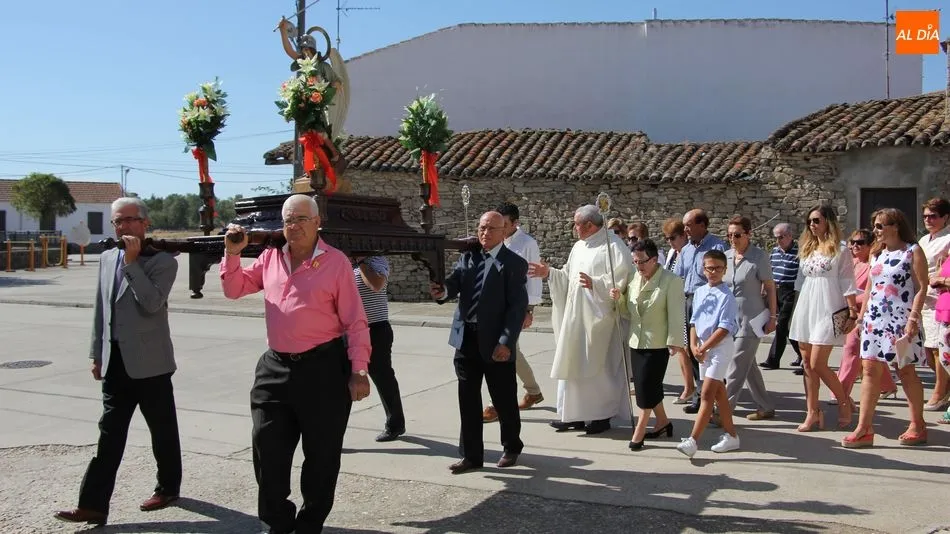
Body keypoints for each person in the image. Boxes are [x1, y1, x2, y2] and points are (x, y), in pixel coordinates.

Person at [221, 194, 372, 534]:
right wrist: (232, 254)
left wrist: (359, 370)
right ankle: (277, 521)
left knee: (321, 456)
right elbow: (234, 289)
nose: (295, 226)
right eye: (289, 219)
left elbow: (355, 321)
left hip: (323, 369)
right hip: (275, 368)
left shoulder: (335, 263)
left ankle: (309, 524)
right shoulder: (270, 257)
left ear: (318, 222)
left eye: (302, 219)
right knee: (267, 450)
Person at [55, 198, 181, 526]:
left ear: (145, 223)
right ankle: (93, 505)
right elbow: (102, 307)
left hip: (151, 364)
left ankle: (168, 487)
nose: (122, 226)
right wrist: (96, 352)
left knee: (162, 430)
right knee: (109, 433)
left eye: (129, 220)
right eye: (117, 221)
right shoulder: (107, 257)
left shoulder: (164, 261)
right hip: (115, 362)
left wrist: (132, 263)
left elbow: (151, 303)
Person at [429, 211, 528, 474]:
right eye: (482, 227)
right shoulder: (468, 257)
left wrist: (506, 342)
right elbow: (454, 283)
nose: (485, 233)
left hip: (496, 342)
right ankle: (471, 455)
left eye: (491, 228)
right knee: (468, 400)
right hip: (466, 340)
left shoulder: (514, 263)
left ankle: (511, 446)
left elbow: (516, 308)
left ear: (504, 232)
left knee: (504, 398)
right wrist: (443, 291)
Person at [529, 204, 633, 435]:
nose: (574, 228)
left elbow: (622, 279)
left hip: (600, 320)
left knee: (598, 370)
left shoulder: (613, 246)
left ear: (589, 225)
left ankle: (600, 416)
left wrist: (596, 284)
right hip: (575, 318)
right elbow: (568, 276)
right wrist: (550, 273)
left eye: (576, 224)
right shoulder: (579, 247)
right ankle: (573, 415)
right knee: (572, 365)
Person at [843, 209, 929, 448]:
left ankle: (918, 424)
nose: (876, 230)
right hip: (875, 320)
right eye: (875, 226)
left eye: (880, 226)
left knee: (906, 371)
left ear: (896, 226)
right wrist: (861, 319)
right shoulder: (877, 253)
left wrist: (913, 318)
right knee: (870, 370)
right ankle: (864, 428)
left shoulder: (912, 251)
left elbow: (922, 286)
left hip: (901, 321)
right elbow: (870, 288)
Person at [609, 239, 685, 450]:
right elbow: (627, 312)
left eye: (642, 261)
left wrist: (675, 342)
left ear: (654, 259)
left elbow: (677, 314)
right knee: (649, 387)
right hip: (636, 341)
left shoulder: (671, 280)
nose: (638, 266)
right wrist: (618, 299)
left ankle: (639, 431)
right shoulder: (634, 279)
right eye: (635, 262)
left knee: (645, 388)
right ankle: (663, 422)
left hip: (658, 343)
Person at [788, 205, 858, 432]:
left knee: (818, 363)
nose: (812, 225)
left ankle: (844, 401)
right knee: (807, 364)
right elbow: (800, 282)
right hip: (807, 305)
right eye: (809, 221)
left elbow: (847, 281)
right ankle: (812, 412)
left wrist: (852, 311)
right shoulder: (807, 248)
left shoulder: (841, 249)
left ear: (829, 221)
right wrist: (794, 310)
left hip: (829, 306)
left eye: (816, 220)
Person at [483, 202, 545, 423]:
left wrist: (529, 310)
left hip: (515, 308)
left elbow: (533, 278)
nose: (500, 227)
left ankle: (497, 404)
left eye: (505, 224)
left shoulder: (527, 243)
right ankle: (533, 391)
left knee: (502, 353)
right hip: (494, 308)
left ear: (515, 223)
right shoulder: (494, 241)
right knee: (511, 352)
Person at [676, 250, 741, 457]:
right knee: (719, 393)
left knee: (706, 394)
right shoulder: (700, 292)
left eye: (718, 268)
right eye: (709, 268)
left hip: (719, 348)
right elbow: (694, 321)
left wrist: (704, 348)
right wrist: (693, 345)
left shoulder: (727, 296)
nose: (713, 272)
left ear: (724, 270)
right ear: (703, 270)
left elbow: (724, 328)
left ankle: (693, 440)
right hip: (702, 348)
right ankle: (732, 436)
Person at [723, 216, 778, 421]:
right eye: (729, 235)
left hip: (751, 320)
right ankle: (765, 406)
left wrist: (773, 316)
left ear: (748, 234)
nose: (733, 239)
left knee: (736, 364)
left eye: (737, 235)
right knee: (748, 365)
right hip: (730, 319)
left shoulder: (758, 257)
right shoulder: (726, 256)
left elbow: (770, 287)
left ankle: (723, 410)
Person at [674, 209, 727, 415]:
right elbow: (677, 276)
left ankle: (714, 396)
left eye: (689, 225)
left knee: (710, 349)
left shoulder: (716, 247)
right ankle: (700, 395)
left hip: (708, 302)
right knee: (692, 349)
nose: (685, 229)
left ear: (702, 225)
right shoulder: (686, 250)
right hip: (689, 301)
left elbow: (722, 277)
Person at [836, 230, 898, 403]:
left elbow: (875, 291)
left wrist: (853, 299)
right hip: (849, 311)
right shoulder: (852, 262)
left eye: (860, 242)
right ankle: (887, 385)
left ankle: (840, 392)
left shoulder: (874, 264)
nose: (855, 245)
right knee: (870, 353)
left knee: (851, 348)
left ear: (870, 245)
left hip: (867, 313)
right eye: (853, 242)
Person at [352, 255, 406, 442]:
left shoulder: (376, 261)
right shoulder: (341, 262)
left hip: (376, 329)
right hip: (349, 331)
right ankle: (333, 432)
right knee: (341, 380)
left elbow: (376, 284)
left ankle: (395, 424)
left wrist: (361, 262)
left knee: (383, 377)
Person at [918, 198, 950, 412]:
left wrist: (938, 276)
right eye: (926, 216)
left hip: (940, 299)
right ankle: (945, 387)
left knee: (940, 348)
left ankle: (940, 391)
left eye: (933, 216)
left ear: (945, 217)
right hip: (923, 298)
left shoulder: (948, 239)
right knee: (928, 349)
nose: (928, 220)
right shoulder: (923, 240)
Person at [761, 222, 804, 370]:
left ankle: (773, 360)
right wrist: (764, 289)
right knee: (787, 329)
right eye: (776, 237)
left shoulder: (799, 252)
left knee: (782, 325)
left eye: (781, 237)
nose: (778, 240)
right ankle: (803, 354)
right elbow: (769, 271)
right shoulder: (774, 252)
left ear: (790, 236)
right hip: (775, 291)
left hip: (791, 291)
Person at [661, 218, 694, 404]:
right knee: (680, 347)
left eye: (672, 238)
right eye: (667, 238)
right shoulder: (673, 254)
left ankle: (692, 388)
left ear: (683, 236)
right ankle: (689, 387)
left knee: (688, 349)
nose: (670, 242)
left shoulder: (689, 253)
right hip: (675, 305)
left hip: (686, 303)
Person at [929, 253, 950, 425]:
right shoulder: (947, 257)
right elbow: (933, 279)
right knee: (945, 359)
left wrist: (941, 281)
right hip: (944, 312)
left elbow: (938, 280)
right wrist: (941, 279)